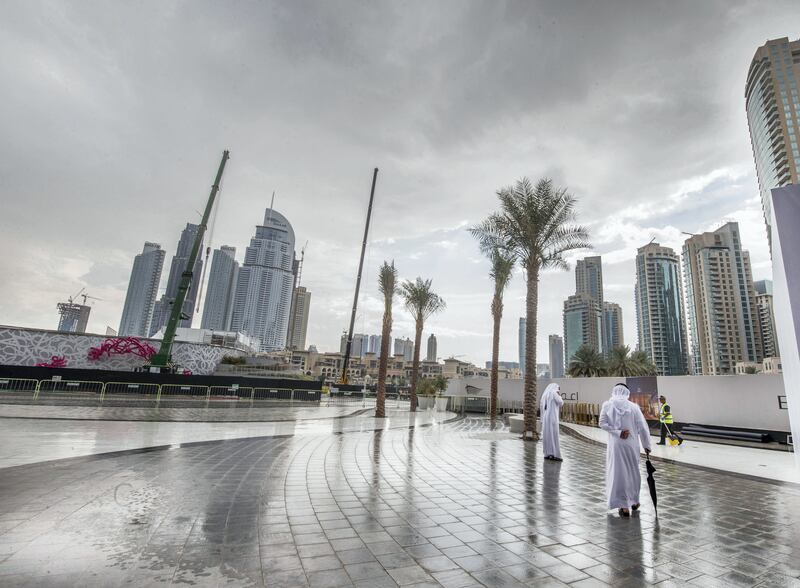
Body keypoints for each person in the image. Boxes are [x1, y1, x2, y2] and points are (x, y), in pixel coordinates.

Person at [599, 383, 652, 517]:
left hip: (616, 446)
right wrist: (647, 446)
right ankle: (634, 501)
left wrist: (617, 432)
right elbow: (642, 428)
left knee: (618, 474)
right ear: (627, 393)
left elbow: (602, 423)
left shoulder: (607, 405)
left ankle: (623, 506)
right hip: (631, 445)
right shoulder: (633, 407)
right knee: (633, 472)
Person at [541, 383, 564, 461]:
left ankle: (547, 453)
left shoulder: (546, 394)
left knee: (547, 434)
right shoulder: (554, 393)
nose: (558, 390)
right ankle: (555, 454)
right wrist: (559, 395)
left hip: (546, 417)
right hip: (552, 416)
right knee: (554, 435)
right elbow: (560, 402)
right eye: (558, 388)